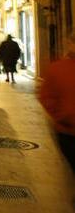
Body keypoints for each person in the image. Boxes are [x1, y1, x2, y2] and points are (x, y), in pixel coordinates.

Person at [39, 32, 75, 184]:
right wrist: (63, 116)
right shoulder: (58, 69)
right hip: (68, 130)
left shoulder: (57, 68)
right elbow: (46, 96)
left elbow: (46, 96)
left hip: (67, 129)